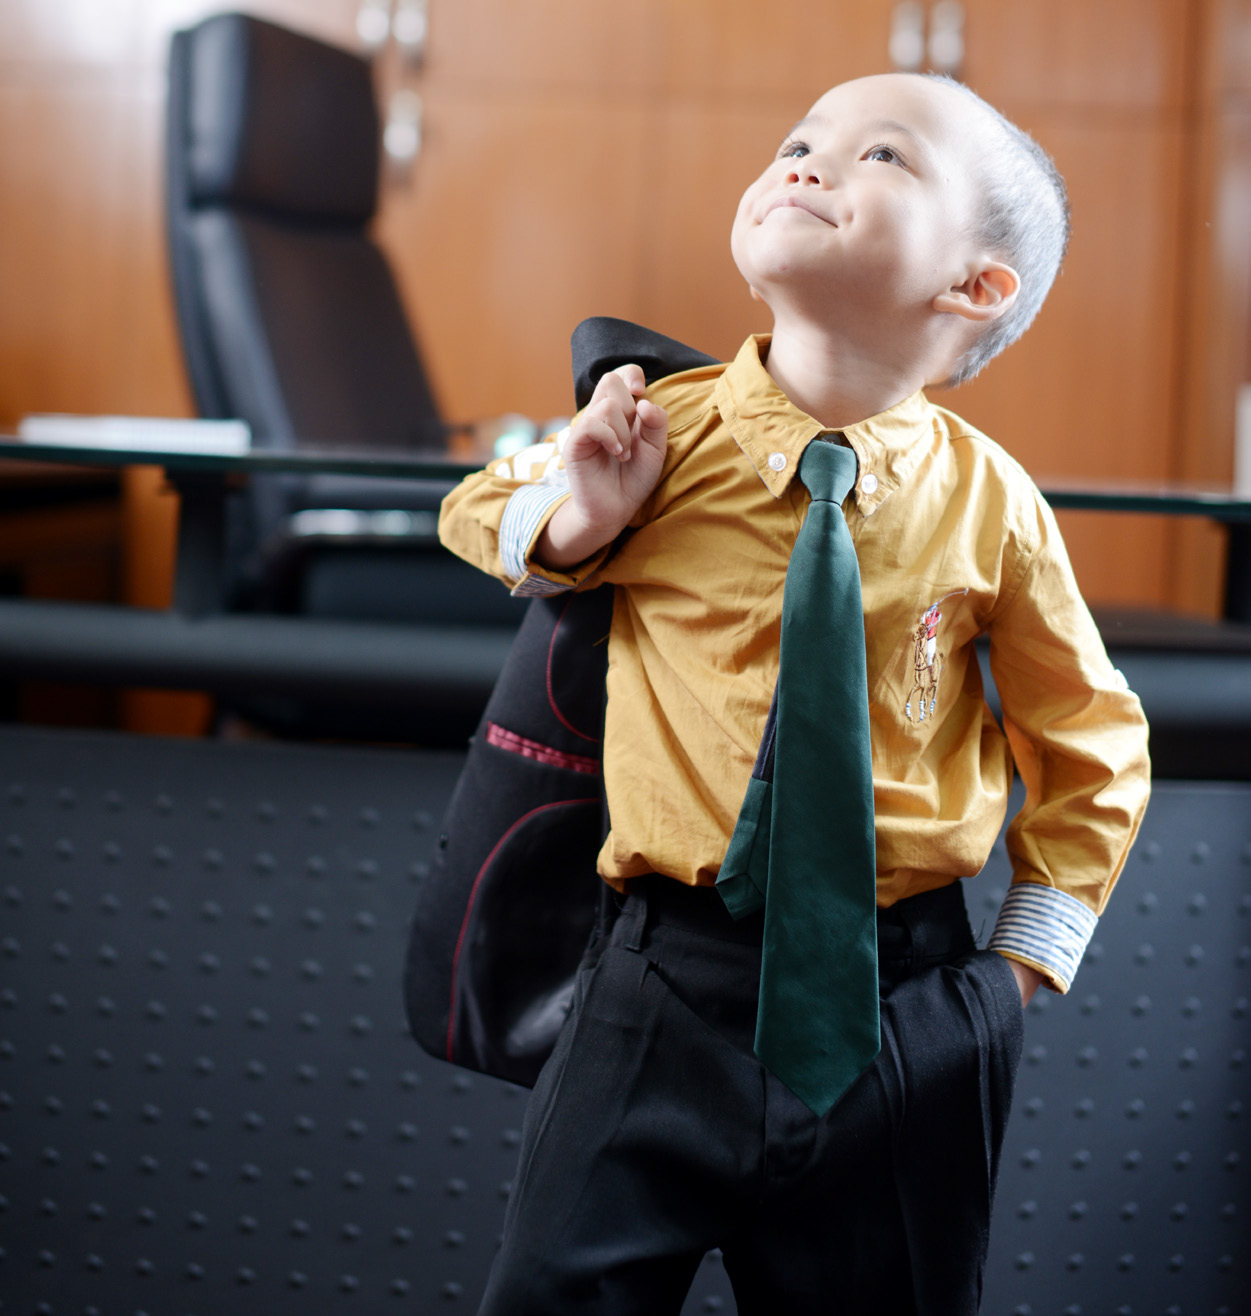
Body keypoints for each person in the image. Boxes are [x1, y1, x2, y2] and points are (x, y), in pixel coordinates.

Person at [439, 71, 1151, 1315]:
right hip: (662, 982)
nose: (810, 162)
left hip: (905, 1003)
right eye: (800, 140)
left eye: (884, 154)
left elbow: (1093, 739)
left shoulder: (993, 504)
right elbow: (473, 508)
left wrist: (1013, 975)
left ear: (976, 285)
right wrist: (581, 515)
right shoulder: (655, 428)